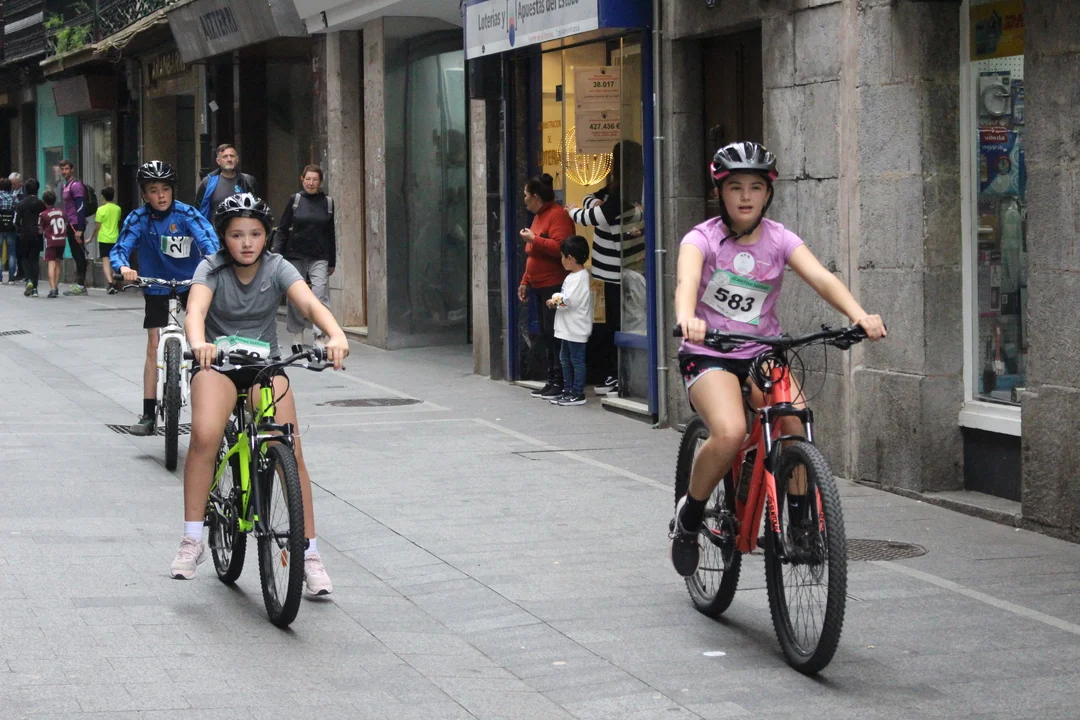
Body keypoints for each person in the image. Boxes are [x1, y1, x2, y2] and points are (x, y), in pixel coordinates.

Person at [669, 141, 887, 577]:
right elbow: (686, 281)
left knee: (795, 421)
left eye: (755, 187)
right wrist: (687, 317)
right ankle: (690, 516)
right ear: (719, 192)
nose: (745, 196)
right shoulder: (701, 239)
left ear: (768, 193)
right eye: (735, 187)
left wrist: (859, 315)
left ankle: (802, 524)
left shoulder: (779, 238)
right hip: (710, 351)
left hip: (761, 353)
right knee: (731, 431)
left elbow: (821, 277)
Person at [174, 192, 349, 595]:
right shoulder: (210, 268)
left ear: (266, 235)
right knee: (204, 435)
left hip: (264, 367)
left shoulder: (277, 266)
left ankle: (309, 554)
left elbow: (309, 303)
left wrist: (335, 334)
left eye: (255, 233)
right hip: (218, 365)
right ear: (224, 237)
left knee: (289, 447)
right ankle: (192, 539)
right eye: (237, 235)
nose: (247, 242)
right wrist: (199, 344)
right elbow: (195, 311)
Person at [111, 162, 219, 436]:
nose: (160, 195)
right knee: (153, 345)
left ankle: (211, 404)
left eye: (165, 189)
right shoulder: (138, 218)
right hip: (155, 285)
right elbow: (121, 248)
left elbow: (209, 242)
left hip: (190, 283)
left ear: (173, 190)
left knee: (202, 341)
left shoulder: (187, 214)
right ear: (144, 194)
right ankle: (148, 414)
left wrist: (214, 263)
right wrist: (124, 267)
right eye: (153, 190)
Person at [566, 141, 645, 397]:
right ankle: (616, 374)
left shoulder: (621, 195)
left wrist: (573, 211)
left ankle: (618, 375)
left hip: (617, 271)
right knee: (615, 321)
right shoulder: (623, 189)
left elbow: (593, 217)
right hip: (618, 268)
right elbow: (592, 198)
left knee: (617, 323)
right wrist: (592, 203)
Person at [518, 174, 575, 400]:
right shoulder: (539, 216)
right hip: (539, 284)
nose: (524, 200)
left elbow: (561, 247)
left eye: (526, 195)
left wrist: (535, 239)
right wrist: (525, 280)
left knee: (555, 333)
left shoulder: (557, 215)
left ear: (536, 197)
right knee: (545, 333)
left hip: (554, 284)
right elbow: (533, 253)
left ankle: (560, 380)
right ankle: (552, 379)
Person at [271, 164, 336, 346]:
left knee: (319, 294)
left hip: (319, 255)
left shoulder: (328, 203)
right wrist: (277, 253)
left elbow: (330, 233)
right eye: (308, 179)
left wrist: (332, 260)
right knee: (295, 295)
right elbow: (282, 229)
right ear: (302, 180)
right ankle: (297, 333)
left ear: (320, 182)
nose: (311, 183)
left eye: (315, 180)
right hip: (295, 254)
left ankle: (320, 334)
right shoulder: (296, 200)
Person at [546, 235, 593, 407]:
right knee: (565, 359)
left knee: (575, 360)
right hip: (568, 328)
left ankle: (577, 392)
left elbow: (569, 301)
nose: (561, 260)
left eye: (562, 256)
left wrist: (554, 300)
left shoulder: (580, 277)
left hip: (575, 328)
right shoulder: (572, 276)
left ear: (570, 258)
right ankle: (568, 390)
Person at [195, 144, 257, 221]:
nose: (229, 159)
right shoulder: (208, 183)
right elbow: (199, 212)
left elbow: (256, 210)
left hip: (241, 227)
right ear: (218, 161)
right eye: (225, 156)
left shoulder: (248, 181)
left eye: (232, 156)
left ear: (237, 159)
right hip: (214, 228)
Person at [57, 160, 90, 296]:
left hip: (76, 225)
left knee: (79, 254)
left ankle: (81, 285)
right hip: (70, 224)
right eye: (62, 169)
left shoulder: (75, 186)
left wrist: (80, 229)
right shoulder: (66, 186)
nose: (64, 171)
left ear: (72, 169)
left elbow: (80, 207)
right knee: (76, 254)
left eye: (66, 169)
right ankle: (80, 284)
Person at [86, 186, 121, 292]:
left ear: (103, 197)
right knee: (114, 261)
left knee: (106, 262)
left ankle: (110, 284)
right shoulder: (118, 209)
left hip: (104, 239)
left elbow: (97, 227)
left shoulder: (100, 210)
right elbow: (118, 222)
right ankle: (115, 283)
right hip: (115, 238)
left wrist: (91, 238)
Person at [15, 179, 45, 297]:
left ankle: (28, 280)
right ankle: (35, 288)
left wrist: (19, 231)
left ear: (26, 190)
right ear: (37, 190)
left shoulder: (21, 204)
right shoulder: (41, 204)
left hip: (24, 234)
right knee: (35, 259)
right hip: (37, 234)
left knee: (25, 258)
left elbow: (16, 221)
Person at [38, 191, 67, 298]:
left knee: (51, 263)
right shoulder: (62, 212)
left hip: (51, 241)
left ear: (44, 201)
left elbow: (40, 231)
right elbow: (65, 224)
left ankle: (52, 289)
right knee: (58, 262)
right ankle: (56, 285)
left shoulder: (43, 214)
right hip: (61, 240)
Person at [0, 178, 17, 284]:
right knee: (11, 253)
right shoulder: (13, 197)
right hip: (10, 227)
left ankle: (0, 278)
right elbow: (17, 210)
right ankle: (11, 278)